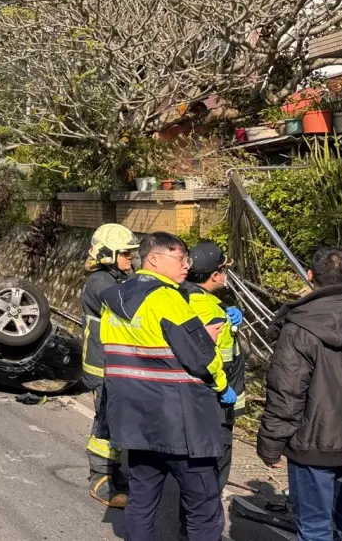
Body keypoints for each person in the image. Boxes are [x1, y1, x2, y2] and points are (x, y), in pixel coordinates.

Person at [100, 232, 234, 541]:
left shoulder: (115, 299)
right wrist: (222, 384)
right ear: (155, 259)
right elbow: (201, 357)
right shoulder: (167, 298)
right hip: (180, 420)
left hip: (136, 419)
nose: (186, 266)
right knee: (203, 505)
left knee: (142, 500)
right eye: (180, 258)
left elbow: (131, 352)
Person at [257, 248, 342, 541]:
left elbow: (286, 390)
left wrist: (271, 443)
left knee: (313, 526)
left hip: (313, 442)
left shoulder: (299, 326)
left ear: (310, 277)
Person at [179, 241, 246, 539]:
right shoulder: (211, 311)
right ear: (215, 275)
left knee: (192, 473)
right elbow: (214, 360)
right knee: (210, 477)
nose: (226, 275)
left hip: (187, 402)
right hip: (215, 405)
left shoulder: (180, 297)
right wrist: (224, 391)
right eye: (224, 270)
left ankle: (189, 529)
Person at [81, 223, 140, 508]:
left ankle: (114, 472)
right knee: (105, 424)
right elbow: (128, 309)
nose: (130, 259)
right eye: (126, 254)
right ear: (108, 254)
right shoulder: (101, 283)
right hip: (103, 366)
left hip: (115, 363)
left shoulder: (115, 278)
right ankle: (101, 478)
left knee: (115, 422)